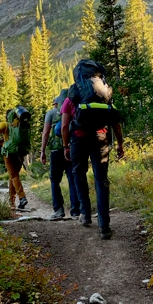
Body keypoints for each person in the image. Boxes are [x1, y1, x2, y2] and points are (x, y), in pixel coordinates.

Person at [62, 59, 124, 240]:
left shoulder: (72, 93)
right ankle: (104, 226)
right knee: (101, 180)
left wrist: (66, 146)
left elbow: (65, 125)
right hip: (101, 139)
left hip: (78, 140)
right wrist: (120, 144)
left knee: (79, 174)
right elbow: (115, 122)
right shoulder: (105, 92)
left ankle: (85, 215)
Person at [41, 89, 81, 220]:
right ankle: (76, 211)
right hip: (71, 148)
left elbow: (46, 133)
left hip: (56, 151)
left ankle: (58, 210)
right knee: (72, 179)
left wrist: (42, 151)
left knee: (54, 180)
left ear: (57, 102)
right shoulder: (74, 110)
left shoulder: (51, 113)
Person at [0, 106, 32, 210]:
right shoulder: (21, 123)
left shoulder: (4, 124)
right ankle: (12, 200)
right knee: (13, 175)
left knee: (13, 175)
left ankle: (22, 198)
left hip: (9, 153)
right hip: (21, 152)